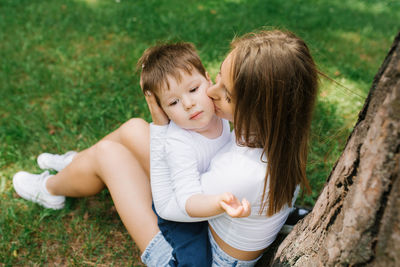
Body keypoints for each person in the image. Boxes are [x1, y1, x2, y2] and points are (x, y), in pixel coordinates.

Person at [12, 29, 318, 266]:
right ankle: (78, 165)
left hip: (197, 256)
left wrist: (160, 128)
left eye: (224, 93)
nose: (210, 92)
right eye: (218, 79)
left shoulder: (242, 172)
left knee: (109, 155)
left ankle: (52, 188)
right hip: (211, 219)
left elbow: (170, 207)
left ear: (255, 108)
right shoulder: (280, 132)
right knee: (133, 129)